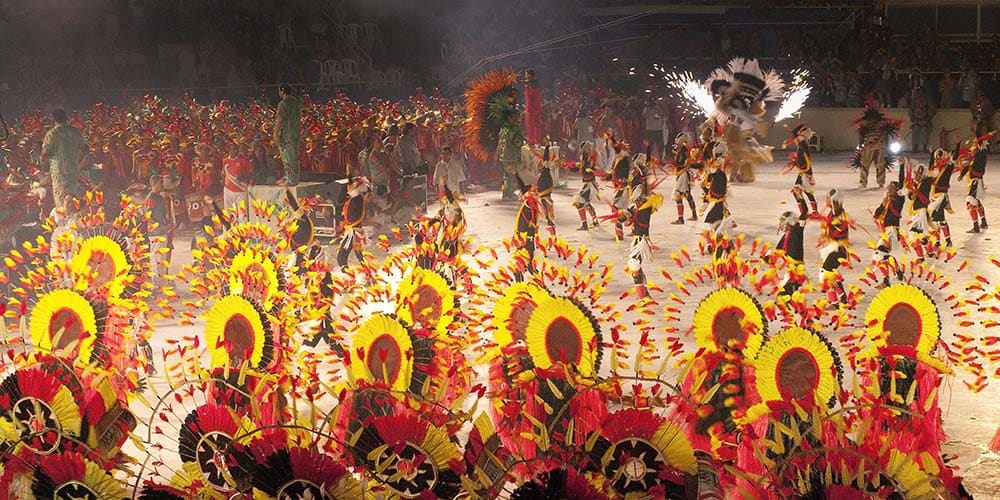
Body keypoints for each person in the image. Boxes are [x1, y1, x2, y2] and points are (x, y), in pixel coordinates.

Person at [40, 108, 87, 205]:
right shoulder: (75, 131)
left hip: (57, 170)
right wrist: (77, 160)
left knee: (60, 198)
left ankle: (63, 218)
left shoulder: (51, 134)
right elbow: (83, 148)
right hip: (73, 168)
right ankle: (72, 217)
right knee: (71, 196)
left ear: (54, 119)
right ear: (66, 118)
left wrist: (42, 161)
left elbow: (45, 153)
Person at [626, 191, 663, 301]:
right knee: (636, 267)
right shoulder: (639, 209)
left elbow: (633, 217)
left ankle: (642, 297)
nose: (636, 203)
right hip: (637, 241)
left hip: (641, 242)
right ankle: (644, 293)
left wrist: (628, 216)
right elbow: (627, 219)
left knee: (635, 266)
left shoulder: (644, 211)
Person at [872, 172, 907, 287]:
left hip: (892, 231)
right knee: (881, 254)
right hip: (886, 231)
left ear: (897, 190)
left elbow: (901, 188)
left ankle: (891, 276)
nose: (889, 190)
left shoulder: (899, 200)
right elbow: (876, 214)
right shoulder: (887, 201)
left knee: (880, 252)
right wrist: (883, 204)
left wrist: (902, 167)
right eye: (889, 187)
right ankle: (894, 274)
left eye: (892, 188)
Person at [773, 188, 809, 296]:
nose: (781, 225)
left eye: (783, 222)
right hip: (790, 270)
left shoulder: (797, 230)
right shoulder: (785, 236)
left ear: (790, 222)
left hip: (797, 270)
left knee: (783, 297)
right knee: (785, 296)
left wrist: (799, 197)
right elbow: (777, 250)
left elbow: (805, 212)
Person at [818, 189, 851, 303]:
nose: (826, 200)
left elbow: (840, 233)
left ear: (834, 201)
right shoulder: (832, 213)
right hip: (833, 247)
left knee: (827, 271)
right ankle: (840, 298)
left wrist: (827, 232)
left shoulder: (841, 216)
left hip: (839, 249)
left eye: (828, 198)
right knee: (828, 271)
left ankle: (837, 300)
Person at [959, 132, 991, 233]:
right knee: (976, 202)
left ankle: (976, 226)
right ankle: (983, 222)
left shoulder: (979, 154)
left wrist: (963, 172)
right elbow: (970, 165)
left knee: (970, 202)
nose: (973, 143)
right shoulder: (980, 153)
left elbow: (971, 165)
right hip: (977, 180)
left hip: (975, 181)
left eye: (975, 142)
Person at [337, 176, 370, 270]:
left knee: (341, 256)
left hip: (354, 232)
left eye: (350, 186)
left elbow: (350, 217)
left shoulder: (356, 200)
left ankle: (348, 275)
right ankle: (368, 274)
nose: (348, 188)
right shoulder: (355, 199)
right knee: (357, 255)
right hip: (354, 230)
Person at [902, 161, 933, 260]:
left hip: (921, 212)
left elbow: (922, 197)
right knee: (921, 235)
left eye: (918, 173)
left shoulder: (926, 183)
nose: (915, 175)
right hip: (916, 212)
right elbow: (911, 197)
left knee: (913, 235)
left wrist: (914, 191)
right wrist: (911, 192)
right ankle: (930, 251)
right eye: (915, 173)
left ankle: (921, 257)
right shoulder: (916, 184)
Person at [784, 124, 818, 213]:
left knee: (798, 191)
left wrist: (799, 127)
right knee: (806, 192)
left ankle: (805, 211)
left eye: (798, 137)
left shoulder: (803, 144)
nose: (795, 140)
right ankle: (811, 211)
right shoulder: (803, 145)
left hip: (805, 172)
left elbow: (794, 133)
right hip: (805, 172)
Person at [273, 84, 302, 187]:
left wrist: (275, 132)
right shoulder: (296, 102)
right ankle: (293, 177)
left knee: (287, 157)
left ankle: (291, 178)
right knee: (295, 156)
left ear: (282, 91)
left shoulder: (282, 104)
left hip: (286, 135)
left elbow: (280, 119)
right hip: (296, 133)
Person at [145, 175, 174, 273]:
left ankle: (162, 284)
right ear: (155, 184)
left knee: (162, 260)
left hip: (162, 231)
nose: (162, 185)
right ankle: (156, 285)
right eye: (160, 183)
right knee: (156, 260)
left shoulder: (159, 197)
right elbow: (147, 216)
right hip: (155, 232)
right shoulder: (151, 198)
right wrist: (160, 225)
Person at [929, 147, 957, 247]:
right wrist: (931, 153)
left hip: (942, 197)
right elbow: (930, 165)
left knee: (937, 219)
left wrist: (957, 145)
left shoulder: (948, 168)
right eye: (936, 158)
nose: (937, 160)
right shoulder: (934, 169)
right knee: (939, 220)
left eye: (939, 158)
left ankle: (945, 241)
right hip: (934, 197)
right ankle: (942, 241)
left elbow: (953, 161)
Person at [670, 132, 698, 224]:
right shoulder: (683, 149)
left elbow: (683, 162)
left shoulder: (683, 149)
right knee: (687, 194)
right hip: (682, 174)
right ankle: (694, 215)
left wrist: (676, 163)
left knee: (678, 195)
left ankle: (681, 218)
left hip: (682, 175)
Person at [701, 142, 729, 232]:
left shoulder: (718, 165)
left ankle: (716, 239)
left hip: (717, 191)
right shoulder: (718, 165)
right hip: (717, 190)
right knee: (716, 218)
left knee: (712, 220)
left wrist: (707, 182)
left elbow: (712, 172)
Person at [572, 141, 600, 231]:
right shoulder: (585, 157)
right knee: (586, 203)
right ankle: (595, 219)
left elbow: (591, 169)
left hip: (589, 184)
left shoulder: (588, 158)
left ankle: (584, 224)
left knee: (579, 202)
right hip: (588, 183)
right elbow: (584, 168)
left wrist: (588, 170)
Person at [222, 141, 253, 211]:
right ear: (229, 150)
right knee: (229, 211)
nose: (235, 151)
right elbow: (223, 174)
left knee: (242, 213)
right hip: (228, 190)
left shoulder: (244, 160)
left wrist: (242, 176)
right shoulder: (225, 161)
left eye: (236, 149)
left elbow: (251, 173)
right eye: (233, 149)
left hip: (241, 189)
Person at [536, 144, 556, 236]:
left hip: (546, 190)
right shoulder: (543, 173)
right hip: (544, 191)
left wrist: (547, 148)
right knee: (544, 204)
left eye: (540, 165)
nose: (538, 167)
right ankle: (548, 218)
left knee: (546, 203)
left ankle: (549, 219)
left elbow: (546, 159)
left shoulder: (545, 171)